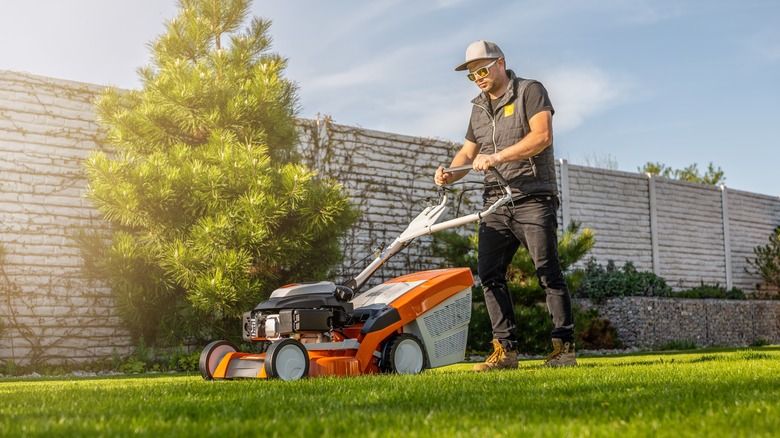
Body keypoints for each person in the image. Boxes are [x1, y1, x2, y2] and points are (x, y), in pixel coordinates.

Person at [434, 40, 576, 371]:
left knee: (547, 273)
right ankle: (505, 351)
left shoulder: (530, 91)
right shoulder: (479, 108)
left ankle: (564, 349)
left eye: (482, 70)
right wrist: (448, 174)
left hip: (531, 196)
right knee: (489, 273)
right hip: (495, 202)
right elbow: (468, 154)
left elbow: (542, 136)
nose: (478, 78)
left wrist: (497, 156)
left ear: (500, 63)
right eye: (472, 75)